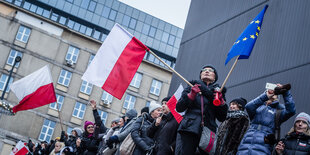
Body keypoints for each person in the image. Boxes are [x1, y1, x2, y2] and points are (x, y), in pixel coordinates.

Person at [175, 65, 228, 155]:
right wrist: (191, 95)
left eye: (210, 70)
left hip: (208, 130)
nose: (206, 71)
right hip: (189, 127)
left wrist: (221, 102)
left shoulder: (219, 92)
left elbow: (222, 117)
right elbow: (179, 108)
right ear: (200, 75)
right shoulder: (191, 86)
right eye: (204, 70)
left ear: (215, 77)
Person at [237, 83, 296, 154]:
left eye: (275, 93)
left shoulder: (278, 111)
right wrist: (266, 96)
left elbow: (291, 111)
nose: (273, 94)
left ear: (277, 98)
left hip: (263, 146)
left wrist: (285, 93)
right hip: (246, 145)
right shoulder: (258, 107)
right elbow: (248, 106)